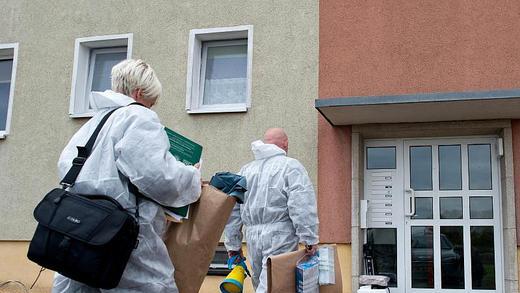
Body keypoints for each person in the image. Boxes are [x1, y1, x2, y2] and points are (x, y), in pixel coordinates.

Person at [52, 59, 201, 293]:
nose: (151, 109)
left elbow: (67, 167)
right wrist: (191, 175)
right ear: (139, 93)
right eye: (150, 103)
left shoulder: (94, 123)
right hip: (122, 235)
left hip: (78, 232)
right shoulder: (138, 117)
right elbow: (158, 177)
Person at [224, 128, 319, 292]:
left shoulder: (246, 171)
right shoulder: (291, 166)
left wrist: (233, 245)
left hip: (252, 237)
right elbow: (301, 205)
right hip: (280, 236)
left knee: (261, 284)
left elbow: (232, 211)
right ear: (286, 144)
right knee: (274, 285)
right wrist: (309, 238)